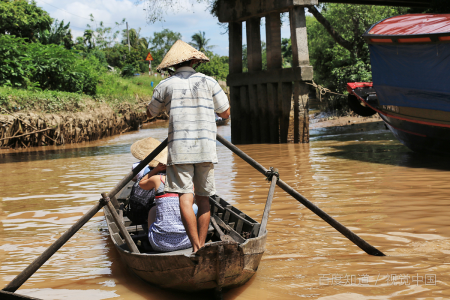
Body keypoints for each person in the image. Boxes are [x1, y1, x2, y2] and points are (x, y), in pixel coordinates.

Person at [146, 40, 230, 252]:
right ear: (194, 60)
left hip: (180, 150)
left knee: (185, 196)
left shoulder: (165, 84)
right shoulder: (210, 82)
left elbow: (150, 113)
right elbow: (225, 113)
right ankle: (201, 245)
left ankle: (195, 247)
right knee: (203, 199)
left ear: (173, 64)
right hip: (206, 148)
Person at [140, 161, 198, 252]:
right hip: (188, 242)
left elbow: (141, 183)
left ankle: (150, 236)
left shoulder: (157, 179)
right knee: (193, 207)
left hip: (160, 244)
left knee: (153, 209)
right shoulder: (190, 182)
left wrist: (156, 169)